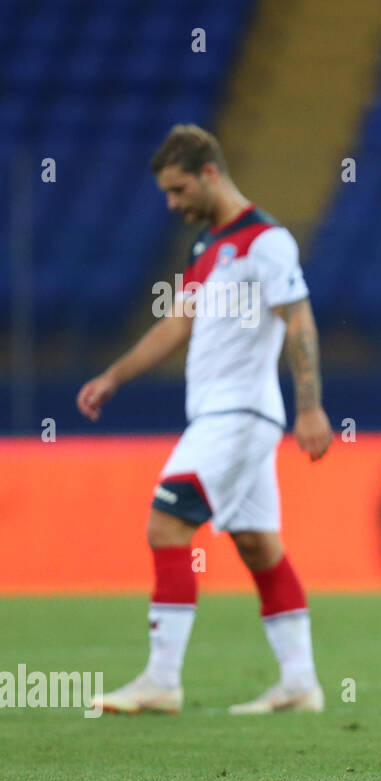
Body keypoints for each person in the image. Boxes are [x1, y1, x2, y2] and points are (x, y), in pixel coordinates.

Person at [77, 124, 332, 715]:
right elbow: (178, 324)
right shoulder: (206, 249)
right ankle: (300, 684)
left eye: (178, 189)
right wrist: (114, 375)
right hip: (223, 413)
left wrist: (312, 405)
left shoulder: (266, 242)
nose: (172, 203)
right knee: (257, 545)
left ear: (210, 173)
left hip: (238, 413)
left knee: (166, 523)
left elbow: (299, 320)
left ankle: (162, 680)